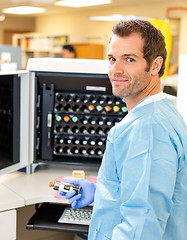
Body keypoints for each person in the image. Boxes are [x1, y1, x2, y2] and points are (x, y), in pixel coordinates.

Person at [60, 20, 187, 240]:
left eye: (129, 59)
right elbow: (143, 188)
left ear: (155, 65)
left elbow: (141, 227)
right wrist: (101, 192)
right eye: (112, 59)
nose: (115, 70)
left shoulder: (147, 128)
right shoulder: (160, 111)